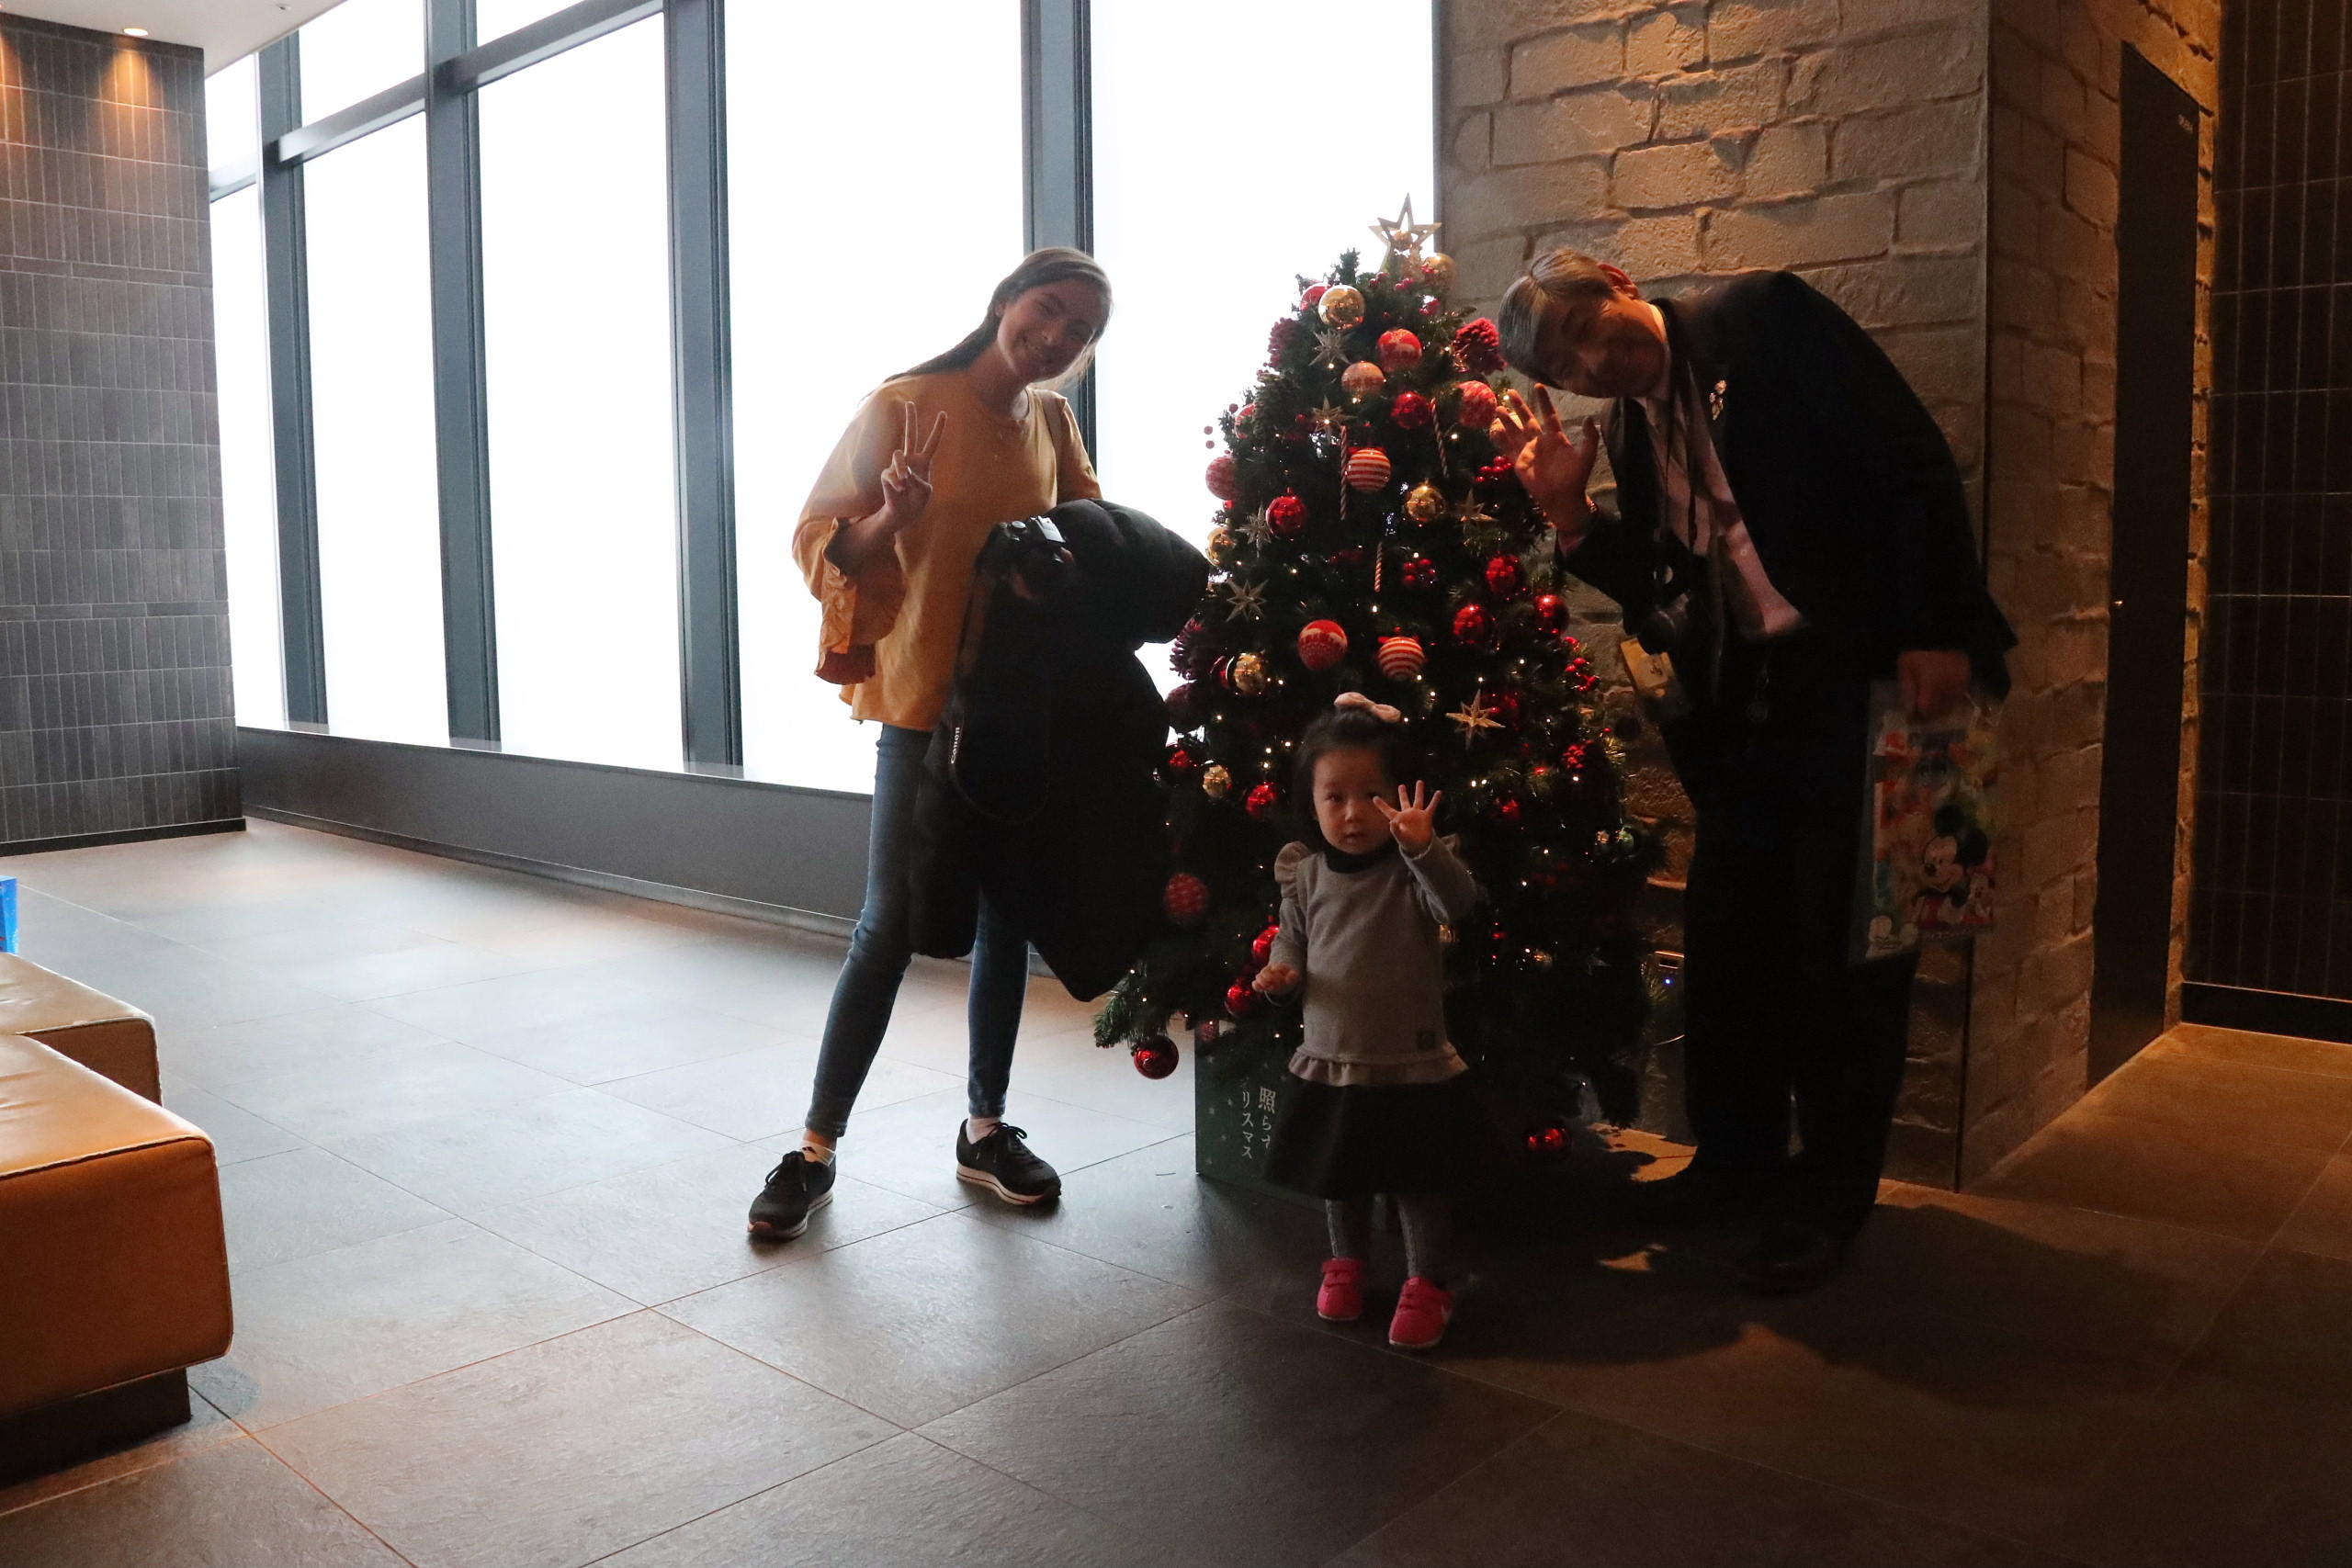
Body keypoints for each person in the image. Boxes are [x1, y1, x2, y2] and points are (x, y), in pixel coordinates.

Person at [1489, 252, 2016, 1293]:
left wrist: (1936, 626)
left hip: (1866, 678)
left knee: (1850, 956)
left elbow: (1910, 462)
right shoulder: (1630, 429)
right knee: (1731, 941)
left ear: (1617, 284)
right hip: (1751, 712)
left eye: (1586, 330)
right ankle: (1733, 1165)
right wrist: (1571, 519)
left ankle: (1828, 1202)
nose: (1592, 364)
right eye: (1565, 367)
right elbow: (1665, 590)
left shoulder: (1764, 319)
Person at [748, 249, 1111, 1239]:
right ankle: (813, 1148)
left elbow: (1090, 539)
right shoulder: (904, 404)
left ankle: (985, 1130)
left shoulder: (1051, 422)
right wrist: (889, 517)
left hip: (1018, 712)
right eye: (1047, 310)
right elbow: (819, 540)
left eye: (1079, 331)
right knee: (888, 925)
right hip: (921, 708)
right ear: (1004, 302)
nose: (1056, 337)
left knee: (1006, 921)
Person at [1254, 694, 1487, 1350]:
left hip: (1409, 1061)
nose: (1353, 813)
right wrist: (1281, 973)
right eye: (1335, 797)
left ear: (1398, 796)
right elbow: (1291, 939)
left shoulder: (1411, 872)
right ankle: (1346, 1262)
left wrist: (1424, 848)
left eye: (1371, 796)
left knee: (1417, 1178)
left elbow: (1458, 902)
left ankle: (1427, 1282)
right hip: (1333, 1057)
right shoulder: (1306, 874)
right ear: (1312, 802)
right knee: (1341, 1172)